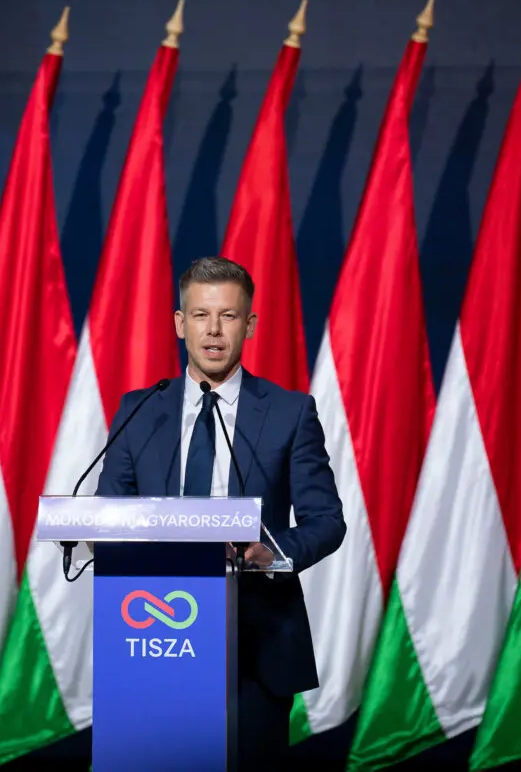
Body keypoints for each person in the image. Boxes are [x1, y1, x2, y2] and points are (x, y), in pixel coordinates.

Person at [95, 255, 346, 767]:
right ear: (179, 323)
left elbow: (326, 521)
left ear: (248, 325)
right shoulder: (139, 409)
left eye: (228, 316)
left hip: (256, 643)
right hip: (155, 636)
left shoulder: (290, 412)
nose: (213, 330)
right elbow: (108, 513)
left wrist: (270, 552)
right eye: (201, 315)